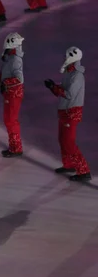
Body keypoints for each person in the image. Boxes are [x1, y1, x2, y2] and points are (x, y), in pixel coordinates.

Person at [44, 47, 90, 181]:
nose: (64, 58)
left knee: (69, 141)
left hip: (72, 112)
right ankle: (69, 164)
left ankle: (84, 170)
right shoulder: (69, 73)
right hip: (65, 110)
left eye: (66, 56)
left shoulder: (77, 75)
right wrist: (54, 86)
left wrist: (54, 88)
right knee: (62, 139)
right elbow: (64, 90)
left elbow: (69, 94)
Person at [0, 33, 25, 157]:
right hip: (10, 93)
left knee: (11, 121)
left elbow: (19, 78)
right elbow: (6, 71)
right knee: (9, 120)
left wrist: (4, 83)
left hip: (13, 94)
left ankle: (16, 148)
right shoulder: (10, 57)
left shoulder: (15, 59)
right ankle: (14, 146)